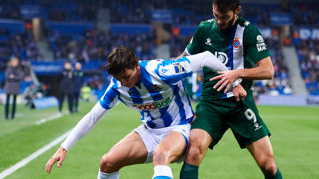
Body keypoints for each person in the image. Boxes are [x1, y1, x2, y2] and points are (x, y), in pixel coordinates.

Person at [45, 46, 237, 179]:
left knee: (161, 155)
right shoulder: (117, 87)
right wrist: (64, 148)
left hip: (181, 127)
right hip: (150, 130)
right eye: (120, 79)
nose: (124, 83)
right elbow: (93, 116)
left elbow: (205, 58)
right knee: (107, 162)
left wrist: (234, 82)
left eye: (126, 77)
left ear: (136, 65)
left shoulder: (162, 71)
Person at [177, 0, 282, 179]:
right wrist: (164, 71)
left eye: (224, 17)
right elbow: (184, 59)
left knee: (267, 164)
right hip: (210, 104)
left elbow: (268, 71)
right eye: (216, 15)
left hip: (239, 104)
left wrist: (236, 74)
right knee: (193, 152)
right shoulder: (204, 29)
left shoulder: (249, 32)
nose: (219, 21)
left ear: (237, 11)